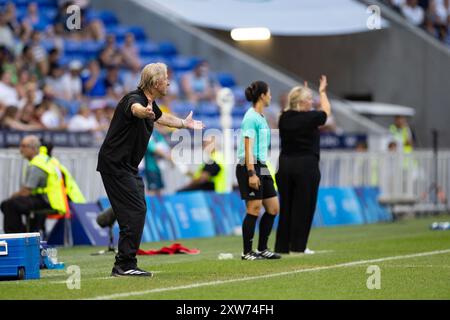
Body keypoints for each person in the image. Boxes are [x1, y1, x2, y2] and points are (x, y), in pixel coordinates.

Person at [97, 62, 204, 277]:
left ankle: (126, 262)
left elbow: (162, 117)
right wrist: (142, 113)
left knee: (137, 210)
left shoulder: (150, 104)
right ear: (156, 83)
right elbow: (135, 110)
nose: (169, 82)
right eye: (166, 78)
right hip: (115, 165)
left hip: (127, 167)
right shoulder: (135, 100)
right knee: (135, 211)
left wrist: (184, 123)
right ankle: (124, 265)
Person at [275, 76, 331, 254]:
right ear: (300, 102)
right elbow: (326, 111)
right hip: (306, 165)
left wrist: (304, 91)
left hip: (285, 166)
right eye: (308, 99)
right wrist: (322, 92)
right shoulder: (310, 117)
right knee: (304, 207)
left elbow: (298, 110)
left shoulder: (283, 117)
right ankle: (299, 246)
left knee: (287, 207)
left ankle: (282, 246)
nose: (312, 102)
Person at [235, 80, 281, 260]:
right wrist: (252, 173)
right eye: (269, 93)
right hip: (250, 165)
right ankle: (247, 252)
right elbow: (248, 147)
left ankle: (262, 248)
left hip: (262, 165)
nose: (270, 96)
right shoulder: (251, 117)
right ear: (262, 95)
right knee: (254, 208)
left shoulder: (260, 117)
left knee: (273, 208)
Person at [0, 135, 67, 233]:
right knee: (11, 204)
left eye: (23, 146)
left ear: (33, 148)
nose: (20, 149)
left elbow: (27, 191)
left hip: (46, 200)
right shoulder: (44, 160)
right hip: (52, 200)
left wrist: (13, 196)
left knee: (9, 204)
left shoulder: (37, 165)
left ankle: (17, 237)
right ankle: (27, 232)